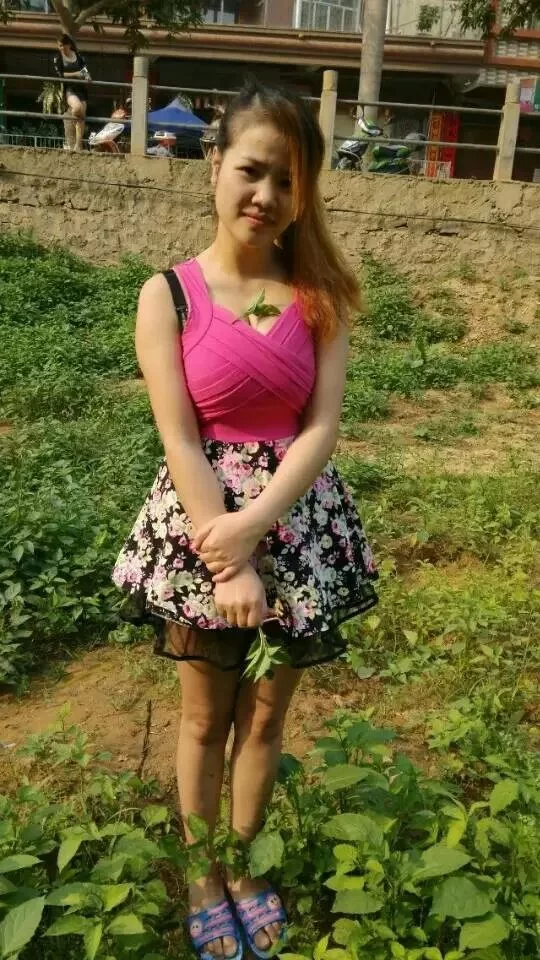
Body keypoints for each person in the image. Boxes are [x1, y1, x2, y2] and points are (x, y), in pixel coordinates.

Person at [112, 79, 379, 960]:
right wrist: (230, 559)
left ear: (306, 193)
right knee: (202, 719)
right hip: (203, 529)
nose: (266, 195)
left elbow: (322, 428)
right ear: (214, 165)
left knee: (265, 720)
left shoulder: (317, 293)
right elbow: (180, 437)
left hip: (292, 525)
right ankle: (202, 873)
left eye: (288, 180)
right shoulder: (170, 296)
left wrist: (259, 526)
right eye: (252, 170)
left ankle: (243, 867)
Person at [53, 34, 90, 152]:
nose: (61, 48)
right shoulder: (58, 58)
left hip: (81, 89)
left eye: (62, 46)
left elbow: (84, 70)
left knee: (81, 115)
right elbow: (60, 75)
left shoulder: (78, 56)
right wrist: (76, 74)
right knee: (77, 108)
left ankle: (78, 145)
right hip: (69, 89)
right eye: (59, 46)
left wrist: (87, 76)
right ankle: (73, 117)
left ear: (68, 45)